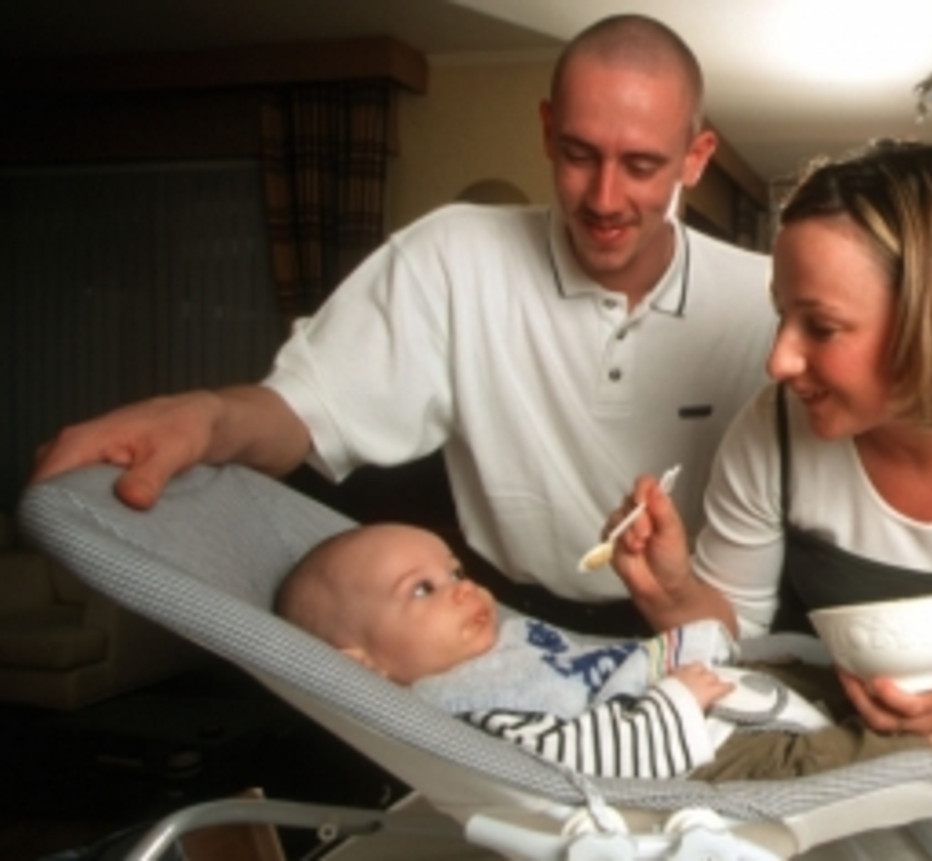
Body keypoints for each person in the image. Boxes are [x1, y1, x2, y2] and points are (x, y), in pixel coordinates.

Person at [28, 14, 774, 637]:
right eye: (580, 155)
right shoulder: (450, 256)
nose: (604, 198)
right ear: (548, 131)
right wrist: (204, 416)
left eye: (641, 166)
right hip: (505, 624)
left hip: (696, 629)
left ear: (695, 158)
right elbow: (303, 412)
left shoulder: (764, 301)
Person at [607, 139, 932, 767]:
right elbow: (736, 638)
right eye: (782, 316)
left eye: (821, 327)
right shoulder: (772, 430)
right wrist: (670, 591)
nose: (779, 360)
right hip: (798, 761)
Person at [274, 522, 932, 780]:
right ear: (363, 664)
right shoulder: (462, 709)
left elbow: (598, 657)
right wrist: (675, 699)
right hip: (680, 752)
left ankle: (901, 700)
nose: (464, 589)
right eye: (423, 590)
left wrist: (684, 651)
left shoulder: (497, 643)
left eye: (456, 570)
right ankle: (917, 758)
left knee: (797, 668)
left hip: (676, 691)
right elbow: (578, 756)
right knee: (792, 762)